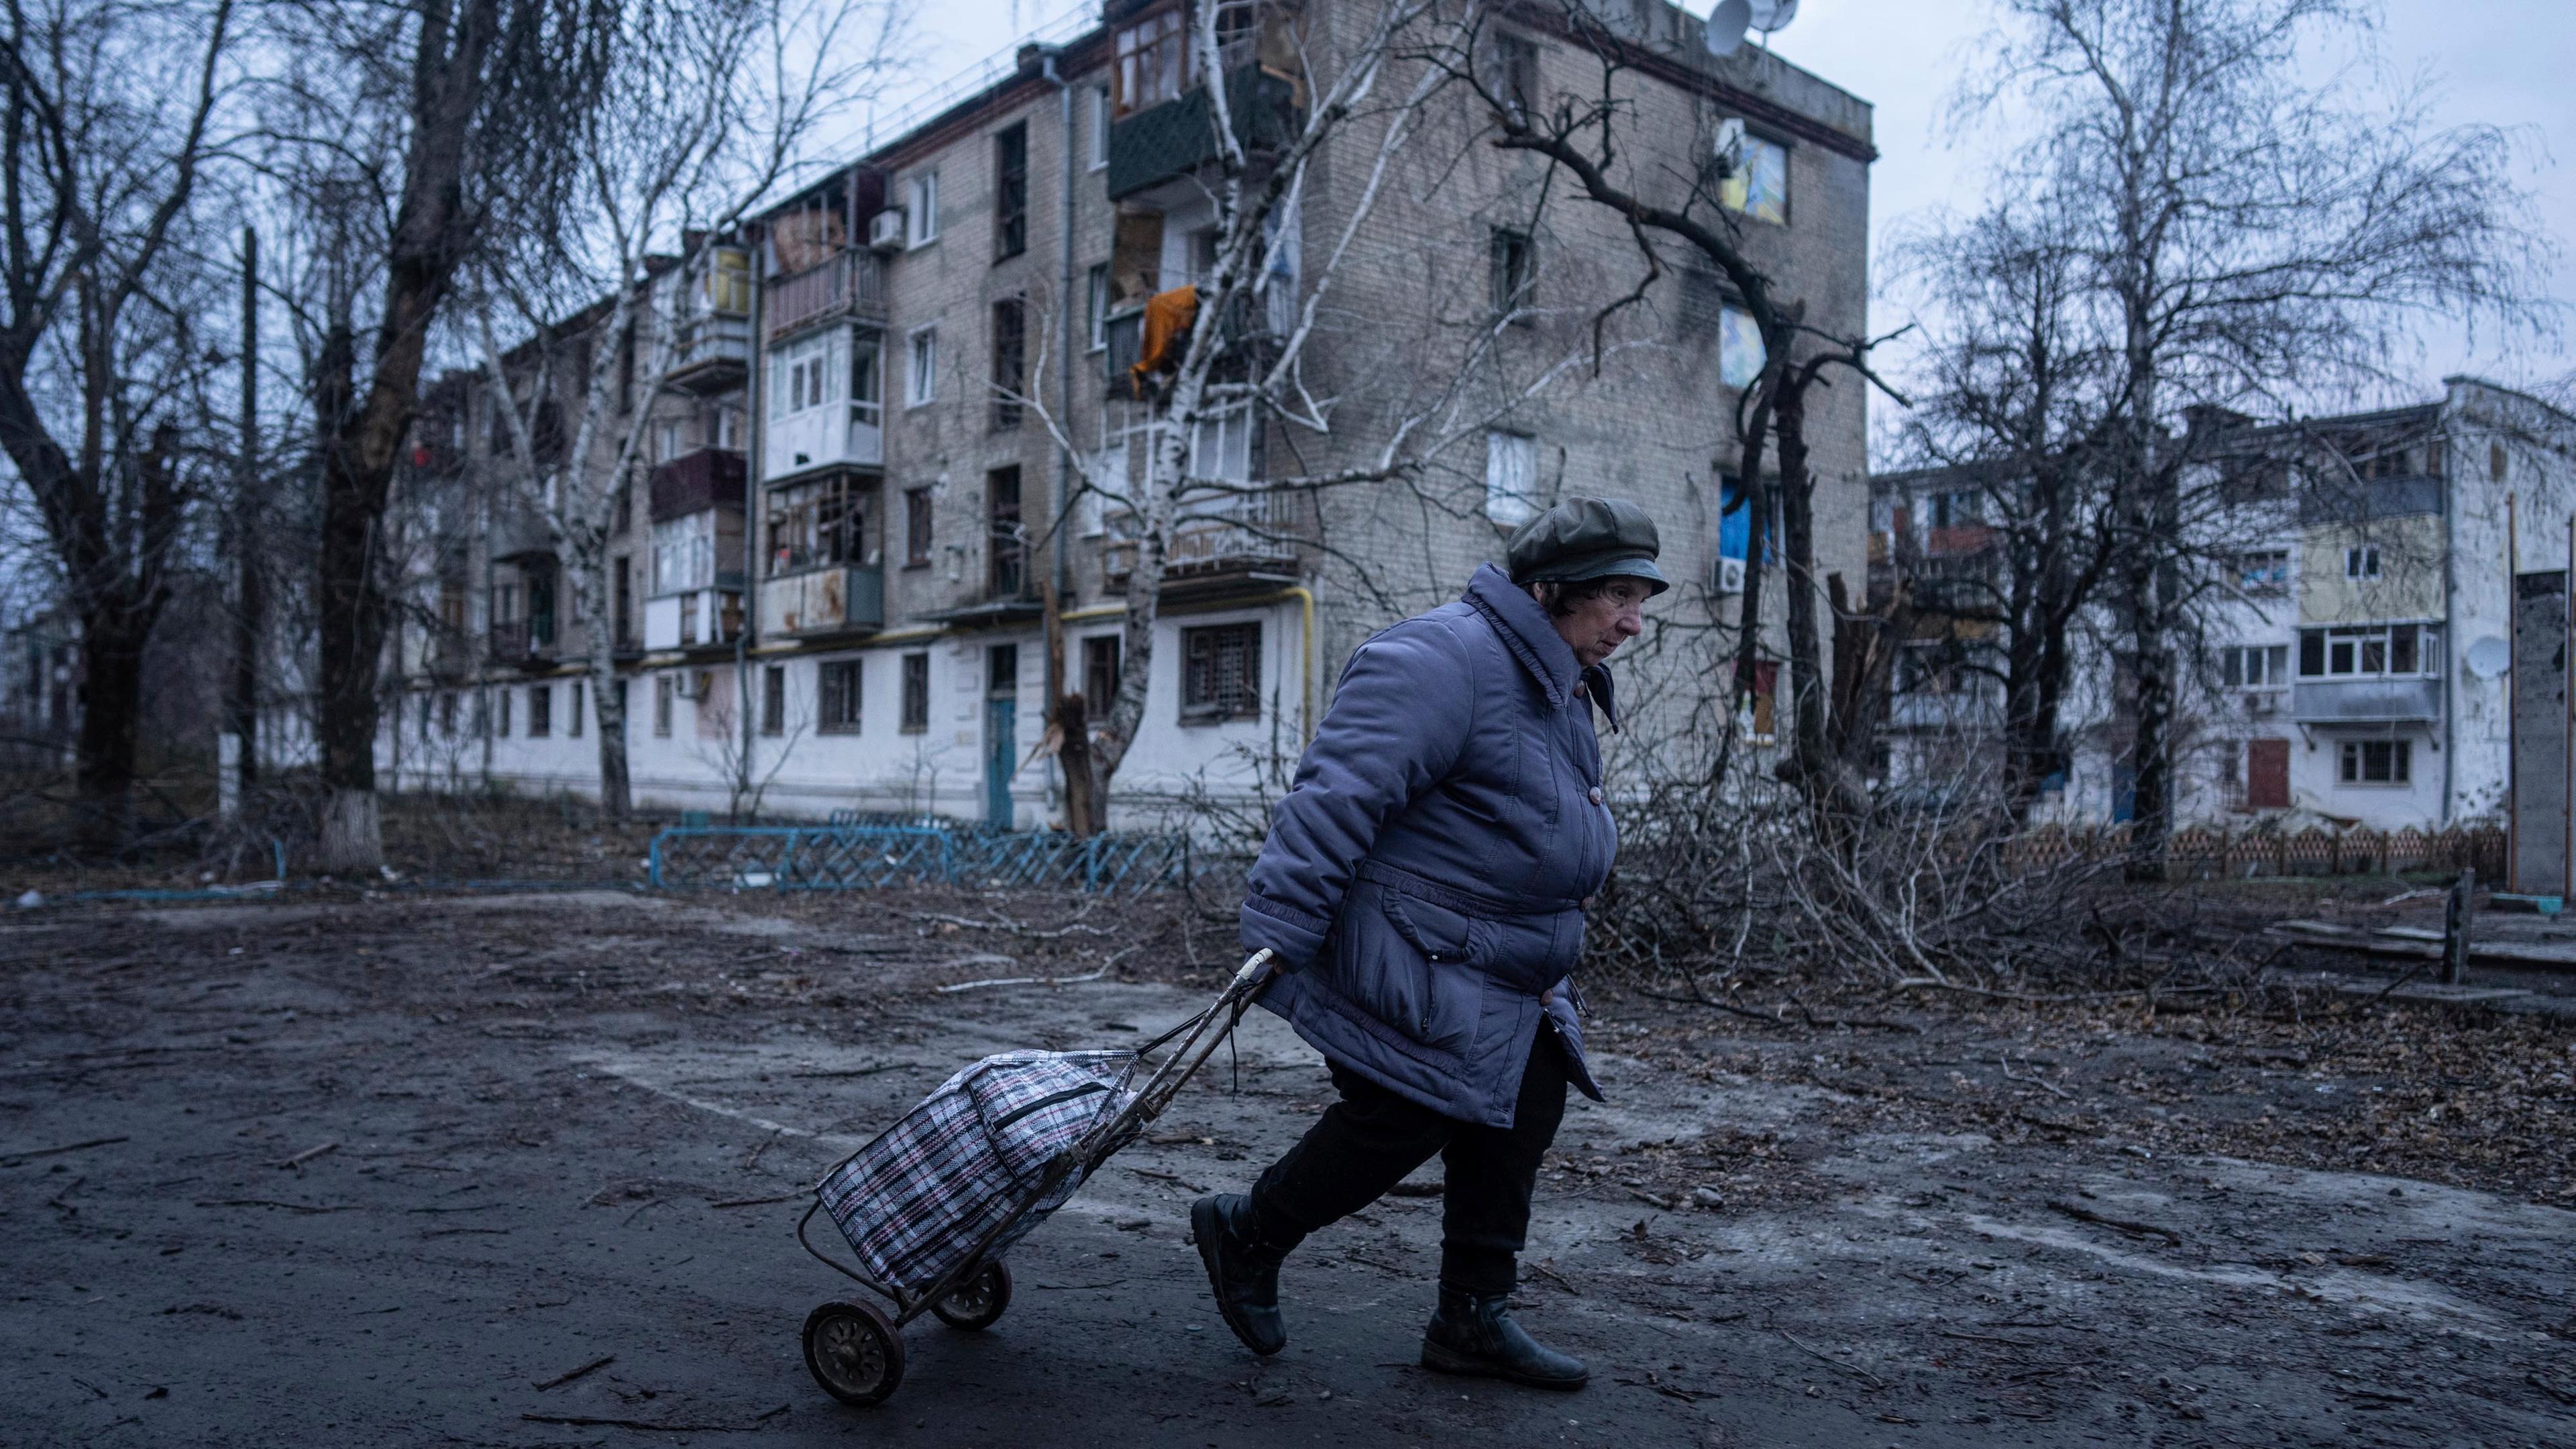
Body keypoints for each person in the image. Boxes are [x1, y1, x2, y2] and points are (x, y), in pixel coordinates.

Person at [1191, 496, 1664, 1391]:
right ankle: (1246, 1233)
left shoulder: (1553, 674)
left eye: (1642, 599)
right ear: (1551, 589)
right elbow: (1336, 797)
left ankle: (1470, 1320)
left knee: (1526, 1100)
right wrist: (1281, 935)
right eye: (1618, 598)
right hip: (1405, 948)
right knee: (1407, 1111)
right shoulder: (1443, 659)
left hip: (1493, 960)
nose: (1635, 623)